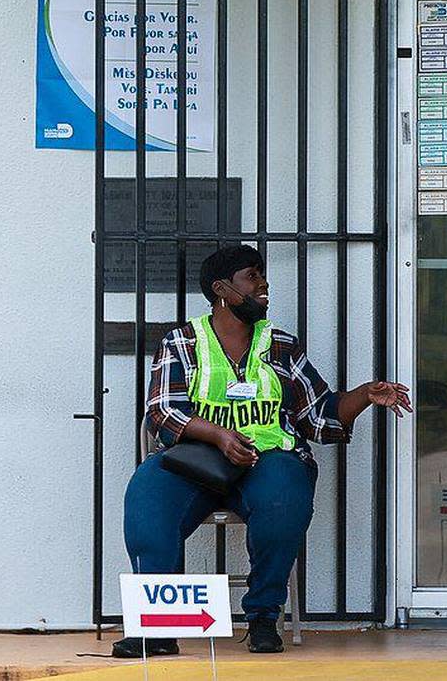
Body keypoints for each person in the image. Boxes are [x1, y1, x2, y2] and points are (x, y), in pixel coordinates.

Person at [113, 245, 411, 658]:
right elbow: (163, 409)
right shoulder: (182, 341)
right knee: (146, 499)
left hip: (267, 460)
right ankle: (158, 628)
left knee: (284, 497)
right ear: (222, 290)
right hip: (195, 461)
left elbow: (318, 415)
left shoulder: (282, 345)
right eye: (252, 276)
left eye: (262, 275)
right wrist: (218, 436)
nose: (263, 283)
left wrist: (364, 395)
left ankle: (263, 618)